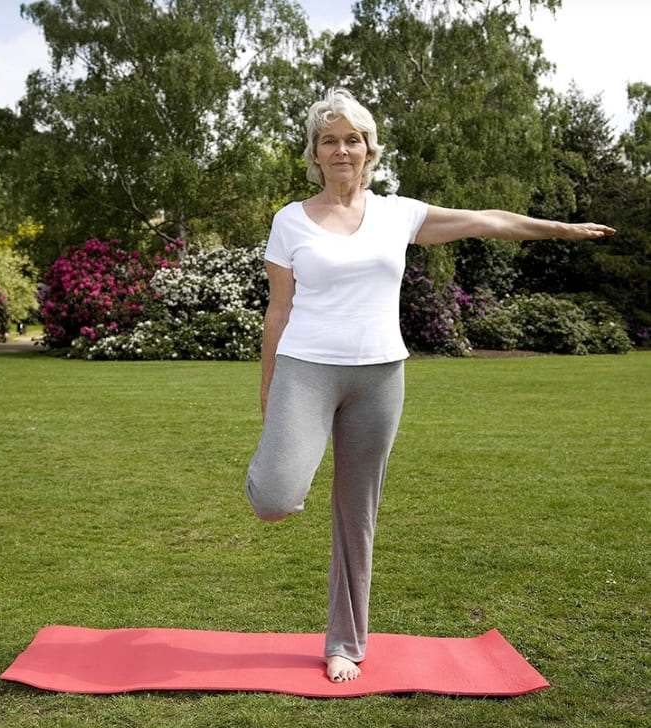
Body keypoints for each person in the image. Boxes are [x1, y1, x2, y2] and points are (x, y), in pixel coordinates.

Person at [245, 88, 615, 683]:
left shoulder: (399, 214)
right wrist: (268, 389)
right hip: (306, 369)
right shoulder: (290, 220)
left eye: (352, 139)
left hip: (380, 376)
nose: (342, 149)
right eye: (329, 140)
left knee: (357, 513)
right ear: (315, 153)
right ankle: (277, 472)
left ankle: (345, 641)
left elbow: (487, 221)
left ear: (369, 150)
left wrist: (559, 229)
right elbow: (278, 311)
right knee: (275, 498)